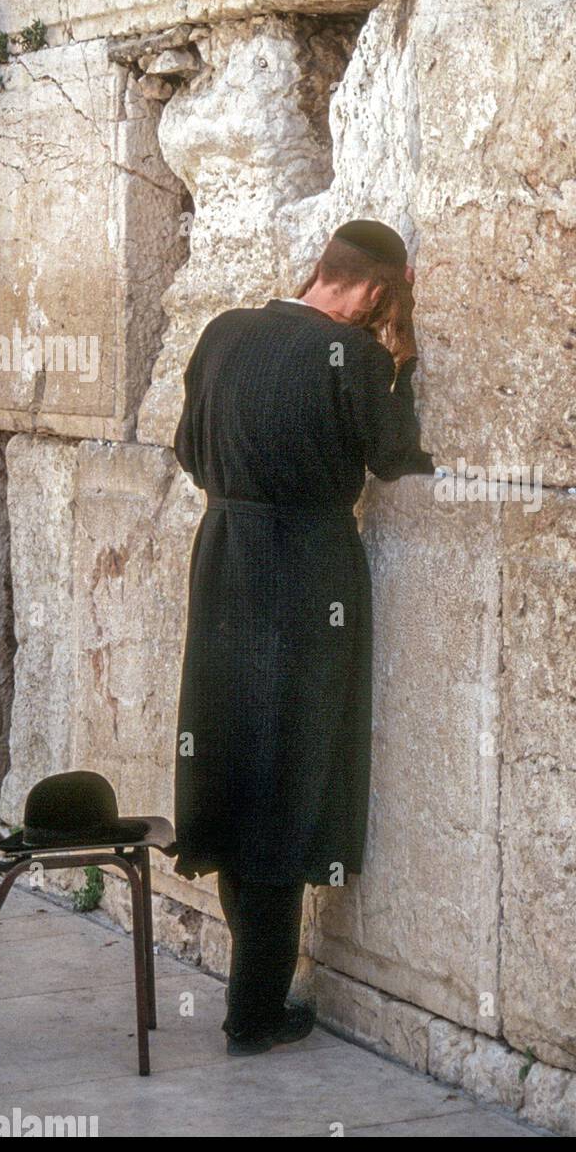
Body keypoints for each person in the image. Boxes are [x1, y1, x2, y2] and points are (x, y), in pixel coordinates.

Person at [170, 219, 434, 1056]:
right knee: (289, 777)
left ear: (320, 268)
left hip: (223, 563)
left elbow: (187, 447)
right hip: (308, 572)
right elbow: (395, 460)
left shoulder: (222, 333)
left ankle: (251, 985)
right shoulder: (354, 359)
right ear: (380, 293)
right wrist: (397, 366)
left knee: (229, 764)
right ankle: (253, 1012)